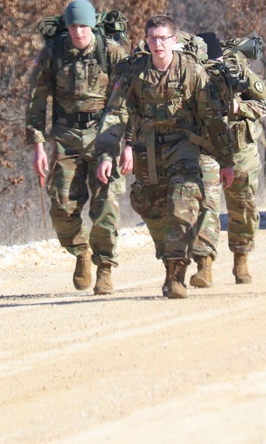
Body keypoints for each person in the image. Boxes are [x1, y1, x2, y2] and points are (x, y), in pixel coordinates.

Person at [95, 15, 235, 299]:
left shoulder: (192, 72)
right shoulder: (132, 72)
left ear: (174, 40)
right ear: (146, 41)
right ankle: (169, 253)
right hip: (147, 150)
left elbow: (212, 118)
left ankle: (175, 275)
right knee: (149, 206)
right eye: (152, 39)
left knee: (182, 203)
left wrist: (226, 159)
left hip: (184, 145)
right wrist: (107, 153)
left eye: (163, 38)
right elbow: (116, 114)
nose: (158, 44)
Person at [26, 0, 129, 295]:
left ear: (92, 26)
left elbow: (125, 100)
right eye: (73, 26)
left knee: (106, 204)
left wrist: (125, 142)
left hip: (103, 133)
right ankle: (81, 252)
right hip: (65, 135)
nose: (78, 31)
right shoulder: (53, 54)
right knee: (61, 207)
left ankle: (105, 268)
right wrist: (38, 145)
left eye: (83, 25)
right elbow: (36, 101)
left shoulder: (110, 52)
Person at [191, 32, 266, 287]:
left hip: (240, 149)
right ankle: (204, 266)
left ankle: (241, 258)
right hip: (207, 149)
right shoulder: (190, 72)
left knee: (243, 208)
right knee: (206, 206)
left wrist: (240, 108)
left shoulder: (236, 68)